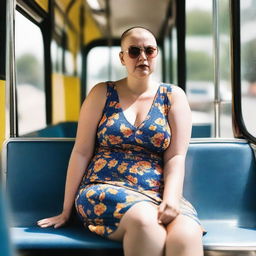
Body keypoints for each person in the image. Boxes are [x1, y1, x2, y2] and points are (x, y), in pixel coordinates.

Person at [38, 26, 205, 256]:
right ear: (122, 57)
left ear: (156, 54)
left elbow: (176, 156)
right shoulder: (101, 93)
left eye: (149, 50)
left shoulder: (173, 96)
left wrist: (171, 199)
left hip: (157, 191)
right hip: (105, 187)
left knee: (185, 235)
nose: (143, 57)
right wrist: (66, 211)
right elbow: (81, 152)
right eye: (134, 51)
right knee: (147, 224)